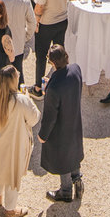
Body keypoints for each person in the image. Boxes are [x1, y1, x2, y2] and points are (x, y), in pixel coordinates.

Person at [0, 65, 40, 217]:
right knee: (12, 175)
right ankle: (10, 208)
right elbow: (34, 119)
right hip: (15, 143)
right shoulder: (20, 100)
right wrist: (27, 97)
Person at [39, 47, 85, 203]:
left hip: (61, 126)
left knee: (63, 157)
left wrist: (42, 135)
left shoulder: (54, 88)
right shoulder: (76, 69)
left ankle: (66, 191)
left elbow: (50, 116)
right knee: (73, 151)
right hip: (74, 119)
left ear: (52, 62)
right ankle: (77, 180)